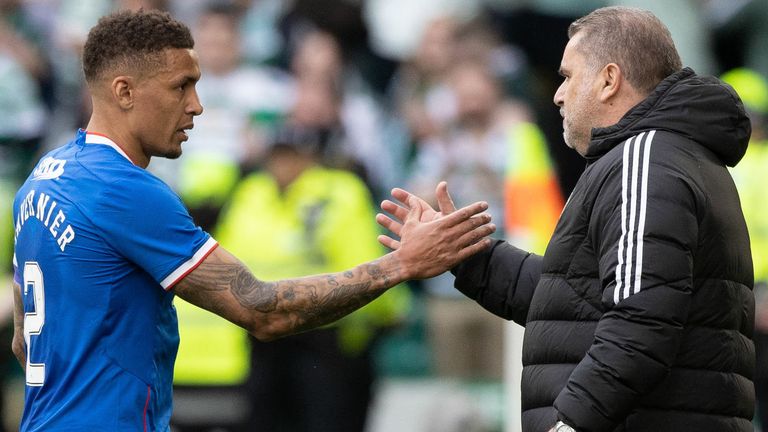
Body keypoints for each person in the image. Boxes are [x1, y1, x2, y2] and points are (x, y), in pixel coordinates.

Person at [9, 9, 495, 432]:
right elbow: (264, 310)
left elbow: (22, 343)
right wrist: (401, 265)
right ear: (124, 91)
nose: (197, 105)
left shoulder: (42, 181)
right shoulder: (122, 189)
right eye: (182, 86)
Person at [377, 6, 754, 432]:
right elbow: (579, 300)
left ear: (609, 80)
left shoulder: (644, 158)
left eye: (568, 76)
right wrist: (463, 255)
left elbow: (639, 322)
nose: (557, 94)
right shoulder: (656, 156)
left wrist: (569, 425)